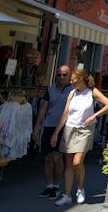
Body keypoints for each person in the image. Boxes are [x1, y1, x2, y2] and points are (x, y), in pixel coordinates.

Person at [51, 69, 108, 206]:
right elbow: (65, 114)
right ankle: (67, 195)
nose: (72, 81)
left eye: (74, 79)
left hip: (85, 130)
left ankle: (80, 189)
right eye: (71, 79)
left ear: (82, 79)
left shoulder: (92, 91)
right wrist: (56, 133)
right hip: (70, 129)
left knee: (77, 162)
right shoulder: (72, 93)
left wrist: (93, 116)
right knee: (68, 163)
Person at [33, 65, 73, 199]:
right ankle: (49, 186)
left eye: (64, 75)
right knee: (48, 157)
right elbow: (44, 107)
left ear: (70, 76)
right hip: (49, 125)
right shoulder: (50, 89)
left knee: (57, 156)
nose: (61, 77)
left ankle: (56, 186)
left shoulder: (73, 90)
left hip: (64, 127)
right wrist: (37, 126)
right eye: (59, 75)